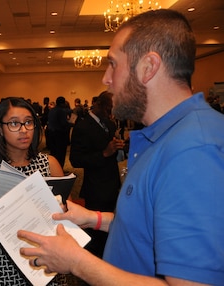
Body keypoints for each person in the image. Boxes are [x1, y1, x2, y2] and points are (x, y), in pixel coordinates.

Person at [18, 9, 224, 285]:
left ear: (149, 67)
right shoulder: (166, 135)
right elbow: (151, 229)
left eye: (113, 64)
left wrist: (77, 262)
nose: (106, 78)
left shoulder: (193, 150)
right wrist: (95, 219)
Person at [0, 97, 68, 285]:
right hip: (8, 260)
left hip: (48, 256)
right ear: (0, 128)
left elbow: (68, 212)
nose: (23, 130)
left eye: (28, 122)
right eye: (14, 123)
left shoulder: (49, 164)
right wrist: (3, 224)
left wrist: (61, 211)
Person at [69, 91, 124, 258]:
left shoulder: (109, 123)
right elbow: (75, 160)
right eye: (108, 109)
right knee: (96, 233)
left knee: (113, 227)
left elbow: (110, 150)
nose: (111, 114)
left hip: (113, 183)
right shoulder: (82, 126)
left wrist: (118, 146)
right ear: (98, 105)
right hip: (95, 187)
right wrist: (104, 154)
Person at [46, 96, 70, 169]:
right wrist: (71, 124)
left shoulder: (52, 110)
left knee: (53, 153)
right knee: (60, 154)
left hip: (51, 134)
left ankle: (53, 169)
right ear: (63, 103)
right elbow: (64, 124)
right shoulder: (61, 111)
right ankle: (60, 170)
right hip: (60, 135)